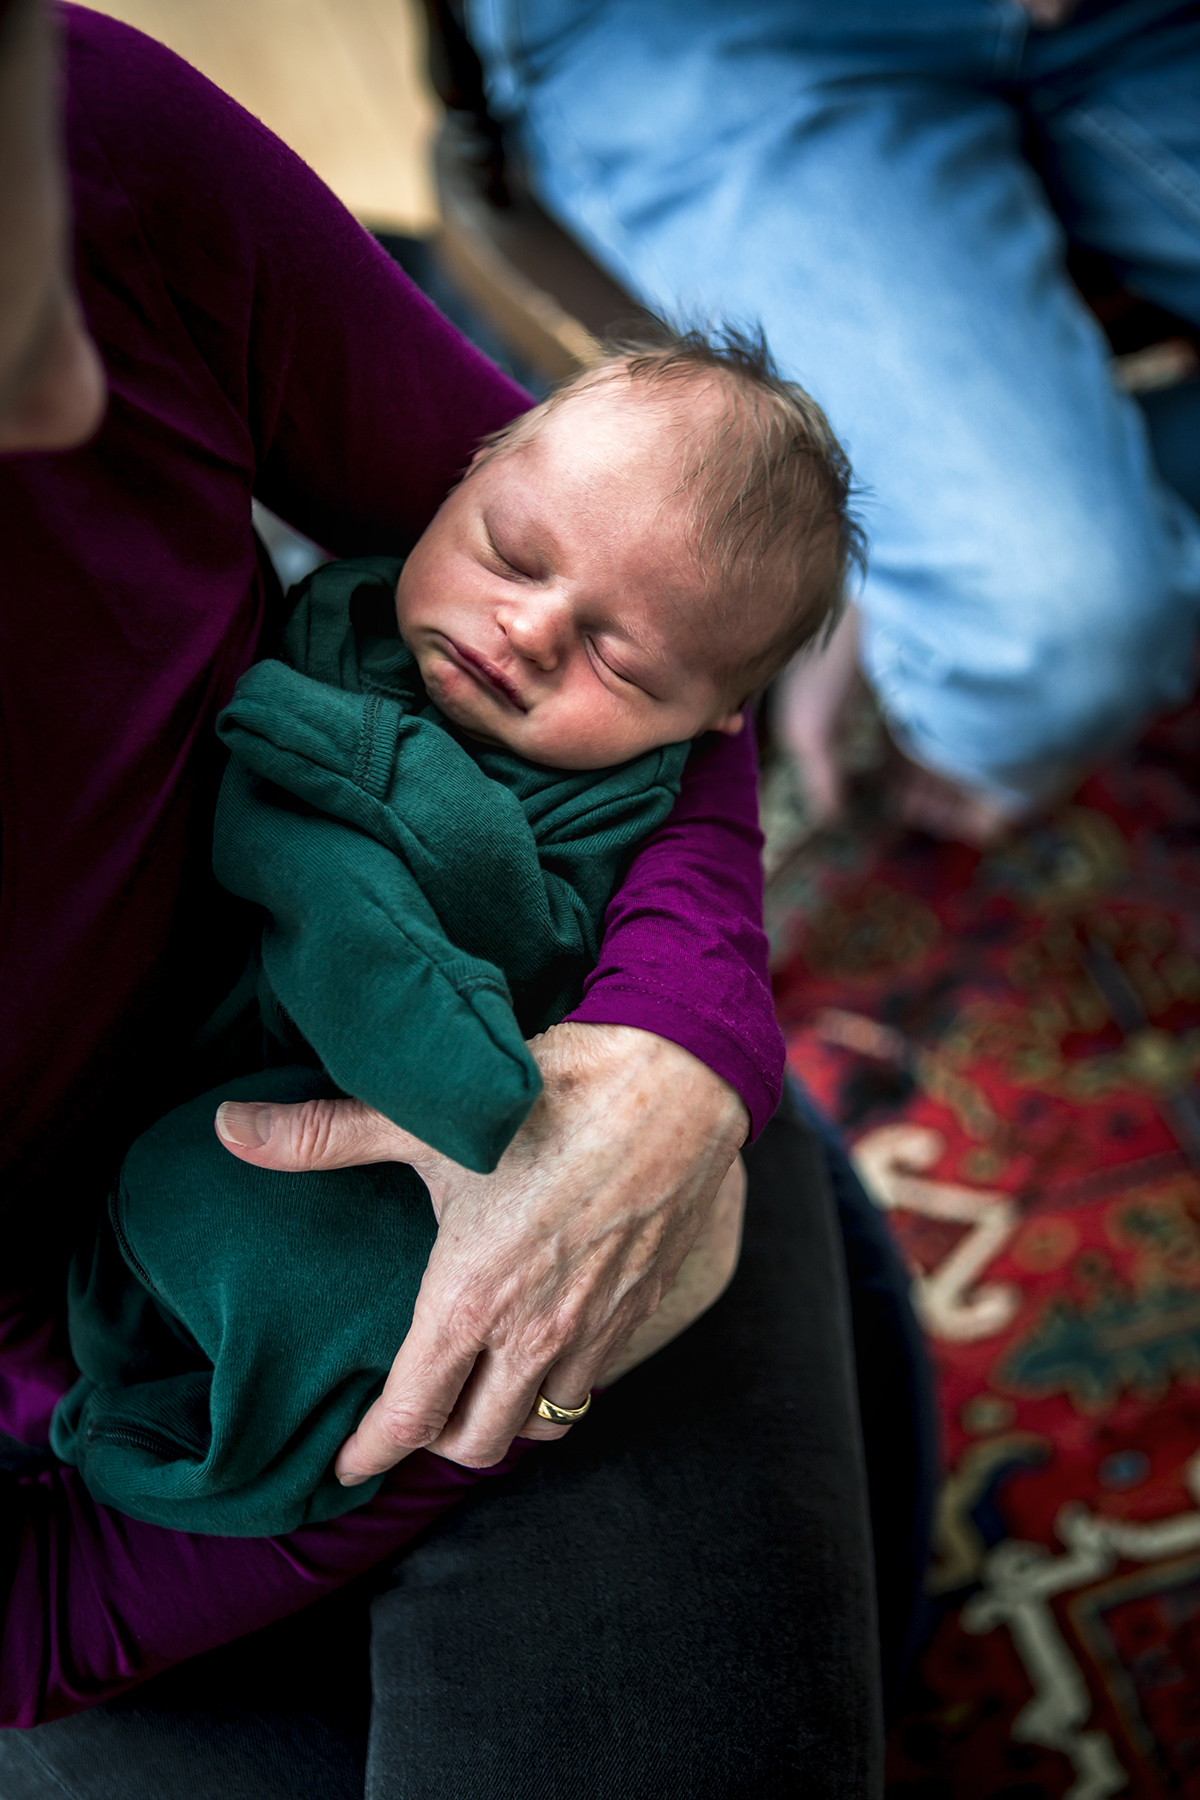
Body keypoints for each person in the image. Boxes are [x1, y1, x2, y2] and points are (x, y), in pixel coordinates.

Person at [0, 2, 929, 1788]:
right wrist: (332, 1489)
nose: (72, 396)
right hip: (147, 1436)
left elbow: (667, 584)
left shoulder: (80, 130)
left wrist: (675, 1056)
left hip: (534, 1103)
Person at [53, 335, 861, 1535]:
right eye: (513, 554)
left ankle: (232, 1448)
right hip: (192, 1069)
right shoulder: (341, 610)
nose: (528, 630)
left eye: (616, 659)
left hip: (433, 1152)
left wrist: (365, 776)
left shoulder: (621, 796)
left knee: (245, 1216)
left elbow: (526, 948)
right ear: (469, 467)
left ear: (715, 722)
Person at [465, 0, 1200, 845]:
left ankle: (898, 548)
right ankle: (921, 554)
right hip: (713, 29)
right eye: (513, 561)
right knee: (1055, 640)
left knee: (1042, 614)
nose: (530, 631)